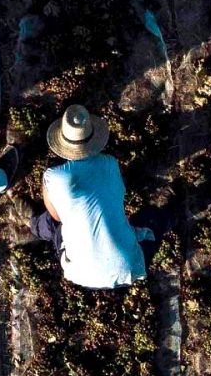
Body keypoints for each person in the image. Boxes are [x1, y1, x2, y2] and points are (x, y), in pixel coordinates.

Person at [29, 105, 168, 289]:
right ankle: (173, 215)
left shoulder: (52, 176)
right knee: (156, 217)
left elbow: (56, 216)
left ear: (61, 142)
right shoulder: (111, 163)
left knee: (53, 225)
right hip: (129, 269)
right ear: (93, 137)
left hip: (80, 275)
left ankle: (33, 226)